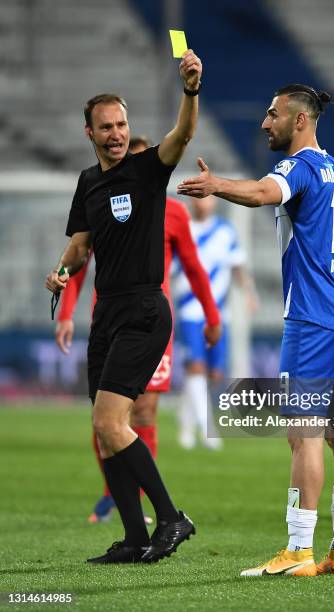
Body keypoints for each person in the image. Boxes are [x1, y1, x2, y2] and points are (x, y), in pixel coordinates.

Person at [178, 84, 334, 577]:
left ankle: (299, 551)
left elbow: (264, 193)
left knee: (303, 434)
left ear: (299, 121)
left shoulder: (300, 166)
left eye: (273, 114)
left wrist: (217, 184)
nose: (265, 123)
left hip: (312, 318)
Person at [46, 50, 206, 564]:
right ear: (88, 133)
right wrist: (62, 273)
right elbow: (79, 247)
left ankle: (171, 517)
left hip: (143, 310)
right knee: (102, 428)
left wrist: (190, 90)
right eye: (106, 127)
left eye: (122, 124)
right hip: (105, 313)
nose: (116, 133)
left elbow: (181, 137)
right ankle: (135, 537)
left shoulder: (146, 170)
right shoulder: (88, 184)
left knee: (114, 423)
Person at [55, 135, 221, 523]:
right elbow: (80, 253)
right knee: (106, 416)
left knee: (143, 412)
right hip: (107, 316)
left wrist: (213, 316)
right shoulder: (103, 195)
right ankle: (114, 493)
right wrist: (65, 311)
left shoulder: (173, 212)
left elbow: (194, 268)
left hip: (146, 322)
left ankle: (146, 504)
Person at [174, 195, 257, 450]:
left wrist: (249, 292)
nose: (203, 201)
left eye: (207, 197)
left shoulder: (225, 231)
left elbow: (237, 266)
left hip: (218, 313)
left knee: (213, 374)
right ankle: (207, 428)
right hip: (189, 309)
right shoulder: (182, 229)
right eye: (199, 197)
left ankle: (186, 424)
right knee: (196, 367)